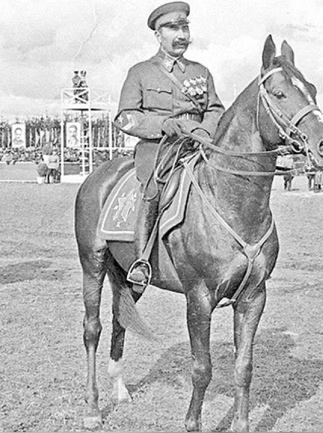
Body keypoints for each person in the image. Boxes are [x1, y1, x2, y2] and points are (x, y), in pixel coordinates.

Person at [113, 1, 225, 289]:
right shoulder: (140, 72)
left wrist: (203, 129)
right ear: (158, 34)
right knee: (154, 187)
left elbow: (215, 109)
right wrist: (161, 124)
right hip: (159, 148)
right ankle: (141, 261)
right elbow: (125, 117)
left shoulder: (200, 72)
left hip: (198, 145)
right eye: (173, 28)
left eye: (184, 28)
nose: (181, 35)